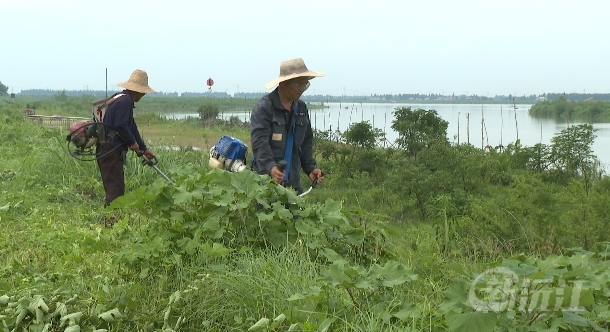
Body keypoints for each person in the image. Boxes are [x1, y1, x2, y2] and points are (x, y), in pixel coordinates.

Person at [250, 58, 325, 194]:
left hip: (292, 185)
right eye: (298, 85)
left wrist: (310, 168)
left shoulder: (301, 108)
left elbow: (305, 141)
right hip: (265, 184)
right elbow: (259, 143)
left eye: (305, 85)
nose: (302, 90)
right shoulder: (264, 108)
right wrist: (271, 167)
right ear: (283, 83)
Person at [96, 69, 156, 207]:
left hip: (110, 148)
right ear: (139, 90)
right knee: (115, 190)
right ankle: (111, 221)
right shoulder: (126, 101)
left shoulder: (120, 97)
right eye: (143, 91)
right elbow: (120, 124)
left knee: (116, 186)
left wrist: (142, 148)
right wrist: (131, 142)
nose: (144, 94)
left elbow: (131, 126)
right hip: (110, 149)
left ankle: (112, 218)